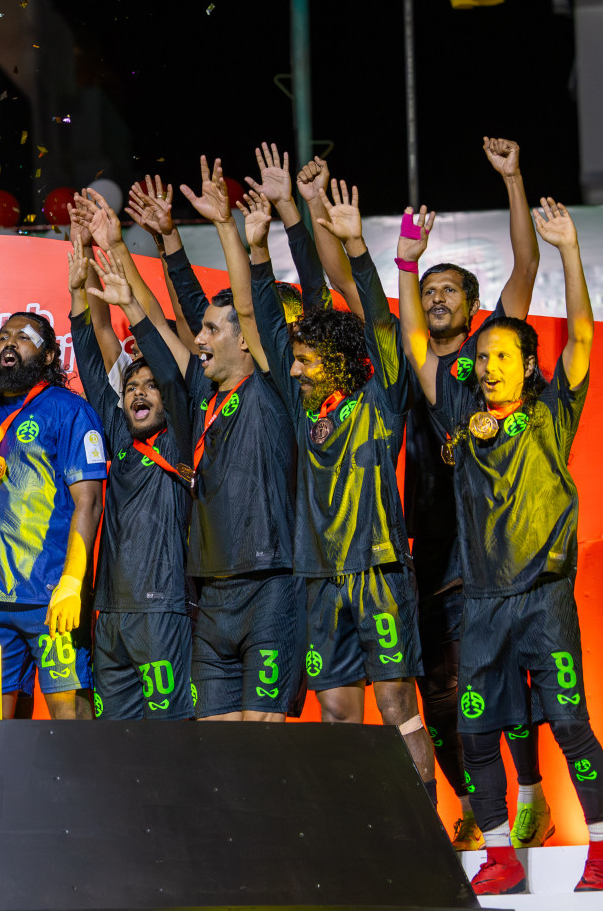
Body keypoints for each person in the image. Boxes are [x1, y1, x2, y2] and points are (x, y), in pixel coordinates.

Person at [401, 197, 603, 895]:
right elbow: (416, 347)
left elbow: (580, 331)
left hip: (542, 602)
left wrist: (570, 251)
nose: (486, 367)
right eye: (481, 358)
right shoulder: (459, 412)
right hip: (481, 607)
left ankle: (600, 851)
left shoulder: (552, 412)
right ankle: (497, 854)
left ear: (526, 363)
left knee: (572, 728)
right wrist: (405, 259)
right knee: (477, 734)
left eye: (499, 356)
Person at [244, 182, 437, 798]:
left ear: (334, 360)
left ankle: (428, 839)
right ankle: (361, 837)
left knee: (396, 699)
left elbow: (382, 326)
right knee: (335, 712)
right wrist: (258, 247)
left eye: (303, 360)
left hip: (378, 567)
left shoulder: (380, 403)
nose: (293, 368)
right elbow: (269, 322)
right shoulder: (305, 414)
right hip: (318, 575)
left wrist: (357, 248)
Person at [152, 157, 302, 722]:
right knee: (219, 754)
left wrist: (227, 229)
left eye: (214, 332)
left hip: (269, 589)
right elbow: (193, 313)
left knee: (263, 747)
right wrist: (164, 242)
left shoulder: (271, 386)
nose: (201, 338)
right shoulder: (205, 397)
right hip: (211, 594)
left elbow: (244, 308)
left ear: (247, 341)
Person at [0, 226, 106, 720]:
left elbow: (88, 503)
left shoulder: (69, 410)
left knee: (68, 717)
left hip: (52, 597)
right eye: (4, 336)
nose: (10, 343)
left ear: (50, 356)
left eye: (25, 337)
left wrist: (73, 583)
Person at [67, 232, 194, 721]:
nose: (140, 394)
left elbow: (166, 358)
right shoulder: (118, 432)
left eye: (152, 386)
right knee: (115, 744)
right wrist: (79, 290)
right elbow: (87, 353)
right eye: (132, 387)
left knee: (171, 737)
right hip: (109, 612)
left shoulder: (182, 435)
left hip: (163, 611)